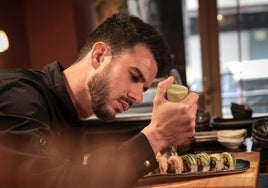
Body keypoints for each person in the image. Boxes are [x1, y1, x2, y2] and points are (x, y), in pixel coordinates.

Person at [0, 13, 199, 188]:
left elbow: (78, 176)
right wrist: (156, 136)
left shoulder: (70, 117)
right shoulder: (20, 94)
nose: (138, 98)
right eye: (133, 76)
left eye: (144, 88)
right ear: (99, 55)